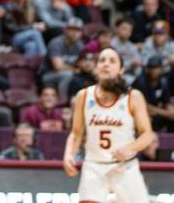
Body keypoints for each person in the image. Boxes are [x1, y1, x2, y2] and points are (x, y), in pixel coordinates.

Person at [63, 48, 154, 203]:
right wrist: (68, 154)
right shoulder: (83, 96)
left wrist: (130, 148)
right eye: (102, 60)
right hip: (94, 166)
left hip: (125, 167)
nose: (106, 64)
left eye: (112, 61)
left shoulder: (133, 96)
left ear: (121, 69)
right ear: (96, 67)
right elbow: (77, 132)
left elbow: (147, 135)